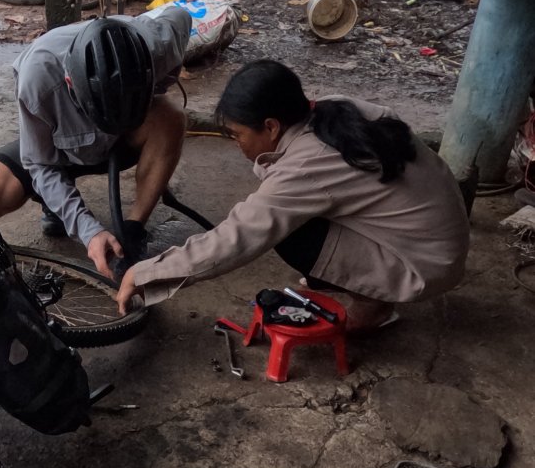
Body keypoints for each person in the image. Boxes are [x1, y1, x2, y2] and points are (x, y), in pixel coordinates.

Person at [115, 59, 470, 331]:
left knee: (289, 234)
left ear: (271, 126)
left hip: (423, 264)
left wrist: (148, 273)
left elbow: (237, 237)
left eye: (237, 135)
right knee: (291, 215)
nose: (237, 145)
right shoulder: (333, 108)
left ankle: (373, 305)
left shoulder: (307, 165)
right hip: (434, 240)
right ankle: (352, 279)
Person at [0, 10, 193, 280]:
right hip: (58, 149)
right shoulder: (38, 80)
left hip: (125, 141)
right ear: (71, 83)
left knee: (171, 118)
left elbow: (181, 15)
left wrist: (155, 92)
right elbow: (39, 164)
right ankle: (53, 204)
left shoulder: (160, 45)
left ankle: (132, 231)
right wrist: (90, 230)